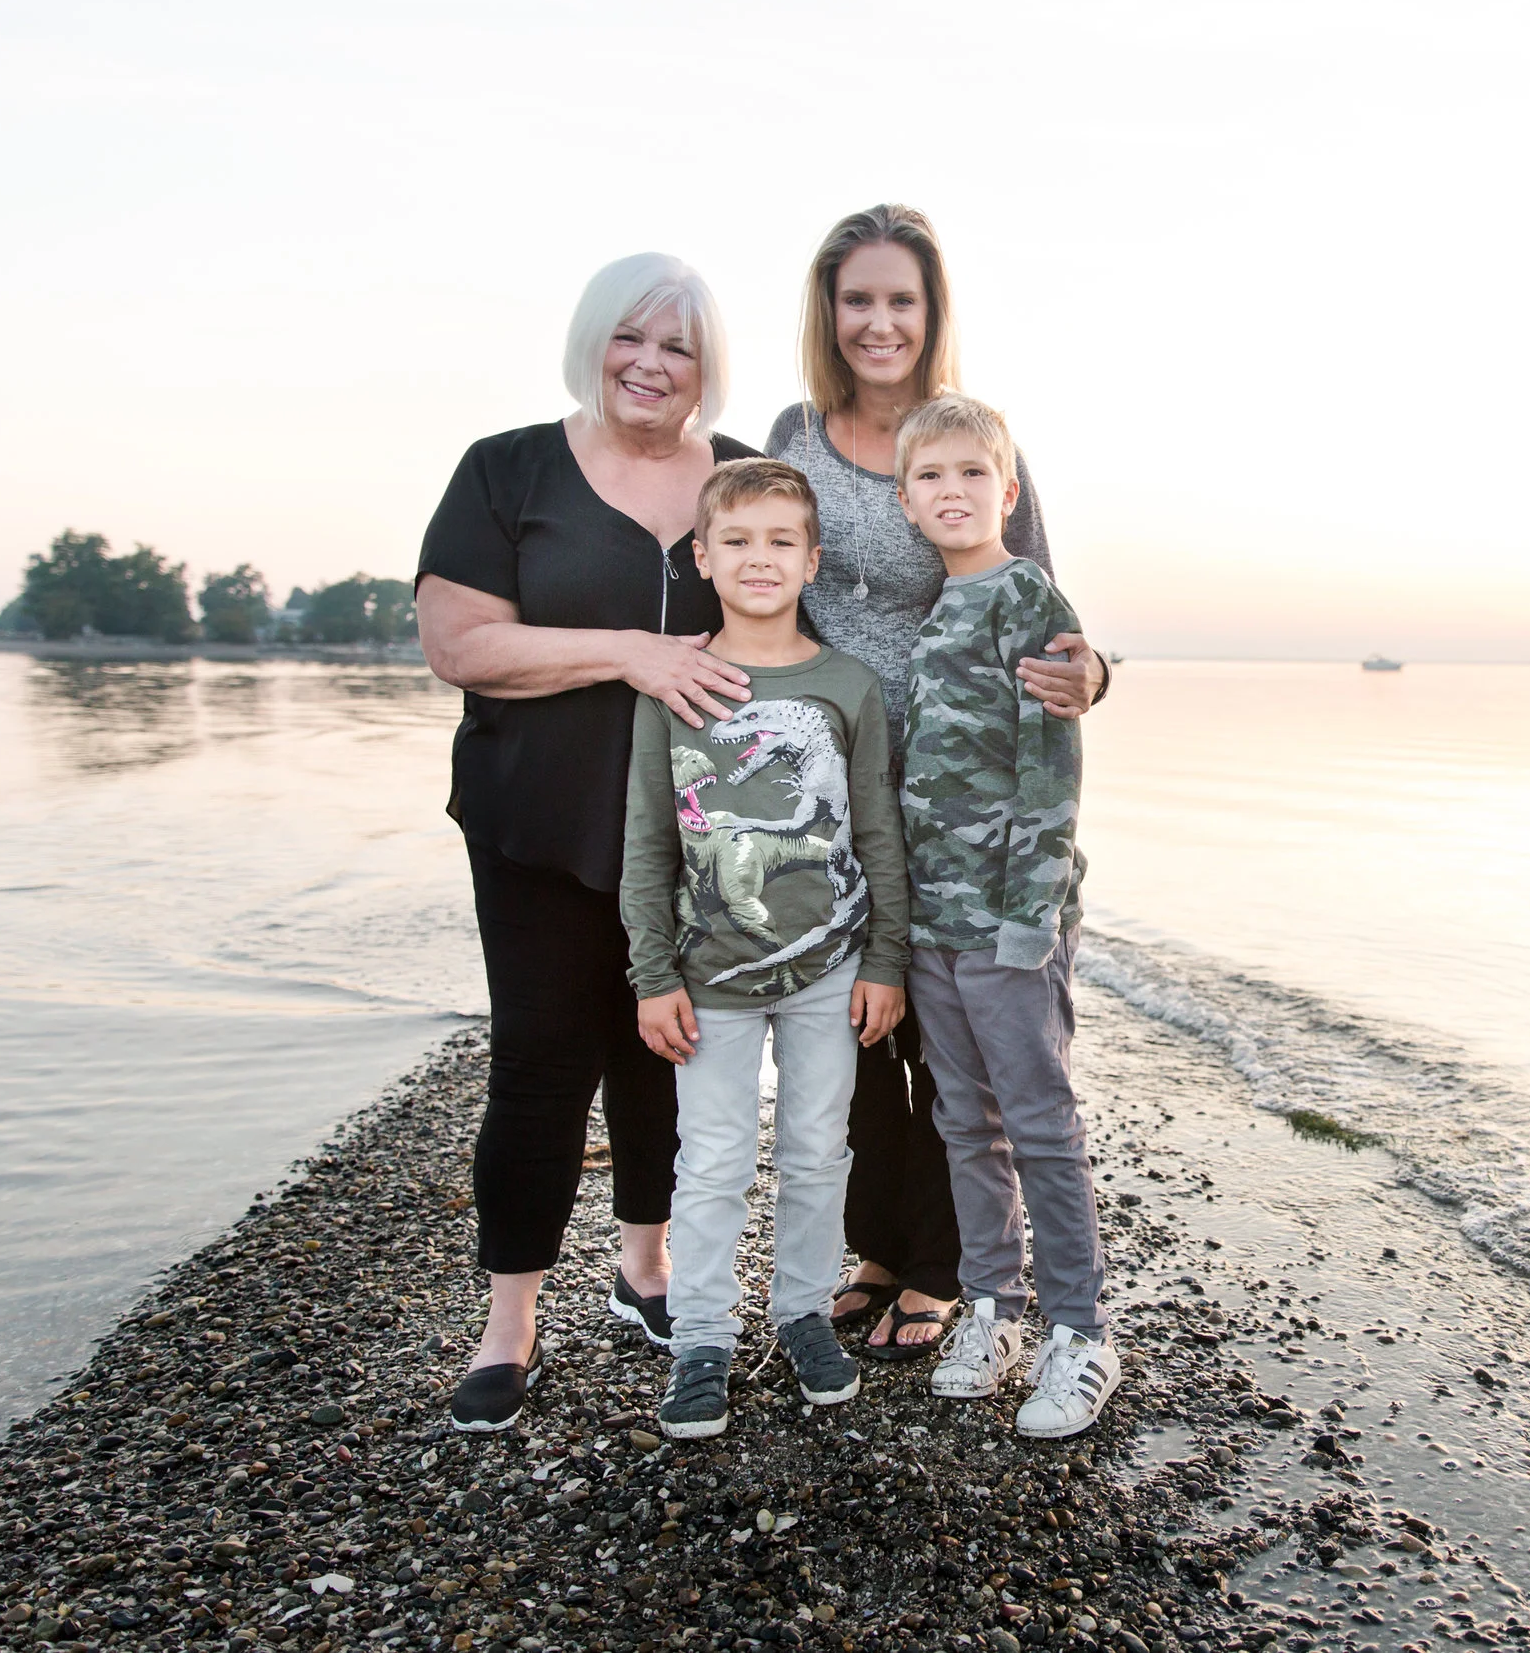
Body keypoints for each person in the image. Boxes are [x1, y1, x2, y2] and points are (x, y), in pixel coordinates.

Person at [417, 253, 761, 1433]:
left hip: (697, 834)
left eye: (678, 347)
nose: (651, 364)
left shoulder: (745, 480)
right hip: (535, 821)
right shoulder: (506, 469)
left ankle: (645, 1271)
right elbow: (460, 644)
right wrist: (630, 650)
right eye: (631, 338)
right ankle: (509, 1324)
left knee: (667, 1051)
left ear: (706, 369)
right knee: (540, 1062)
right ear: (593, 342)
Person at [763, 204, 1109, 1361]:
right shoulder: (793, 433)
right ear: (830, 312)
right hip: (830, 776)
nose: (878, 322)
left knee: (956, 1043)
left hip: (959, 791)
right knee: (855, 1025)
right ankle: (880, 1242)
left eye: (900, 300)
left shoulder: (973, 443)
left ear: (930, 312)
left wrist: (1094, 673)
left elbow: (1046, 608)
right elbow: (759, 569)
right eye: (857, 299)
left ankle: (953, 1270)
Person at [620, 458, 910, 1433]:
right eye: (736, 540)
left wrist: (885, 960)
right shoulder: (677, 682)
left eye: (780, 540)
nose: (758, 558)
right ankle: (702, 1337)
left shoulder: (845, 684)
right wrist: (651, 975)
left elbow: (876, 830)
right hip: (711, 980)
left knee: (818, 1148)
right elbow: (648, 841)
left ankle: (800, 1311)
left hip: (831, 968)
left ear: (812, 559)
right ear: (702, 555)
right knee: (710, 1160)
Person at [891, 395, 1119, 1439]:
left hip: (1008, 921)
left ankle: (1081, 1331)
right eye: (930, 477)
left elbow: (1050, 771)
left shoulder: (1028, 600)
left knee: (1038, 1122)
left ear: (1008, 492)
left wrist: (1030, 918)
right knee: (961, 1121)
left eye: (972, 475)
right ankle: (994, 1310)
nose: (952, 492)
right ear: (904, 500)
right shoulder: (934, 612)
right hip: (936, 919)